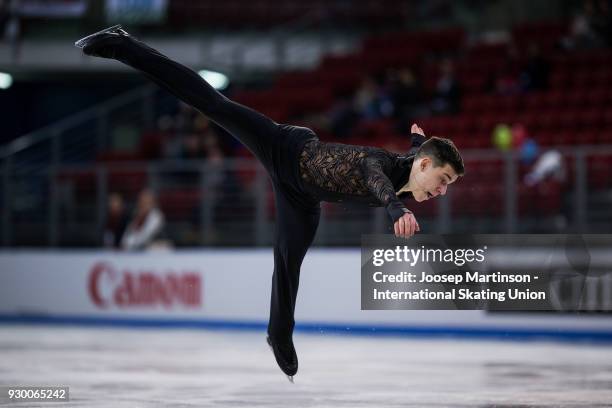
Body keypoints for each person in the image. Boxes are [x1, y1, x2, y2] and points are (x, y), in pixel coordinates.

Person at [75, 25, 465, 380]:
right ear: (426, 165)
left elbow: (408, 164)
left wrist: (417, 142)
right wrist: (397, 209)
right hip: (286, 148)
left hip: (303, 196)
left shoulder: (411, 165)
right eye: (443, 180)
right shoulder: (381, 166)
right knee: (212, 104)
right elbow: (371, 175)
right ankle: (122, 45)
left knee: (288, 261)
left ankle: (278, 336)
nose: (442, 190)